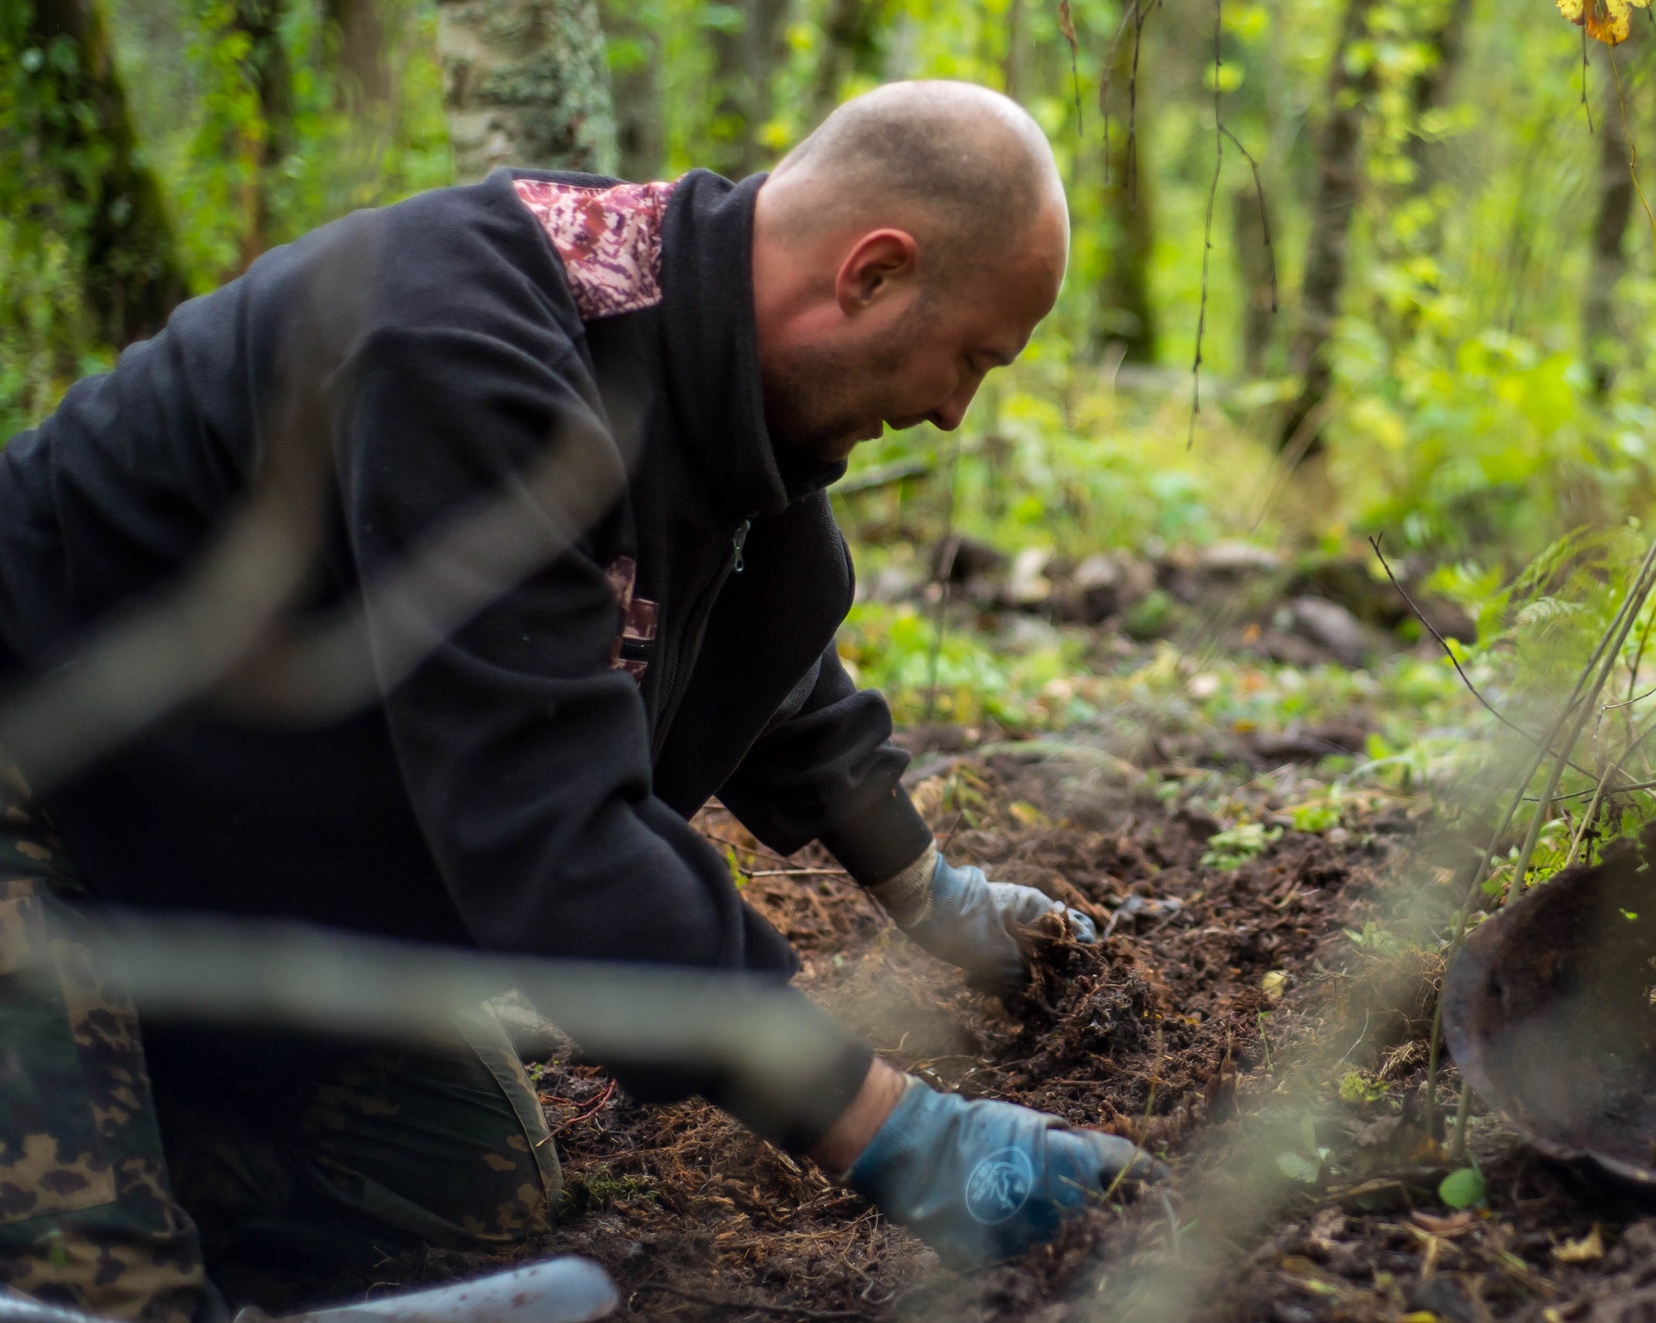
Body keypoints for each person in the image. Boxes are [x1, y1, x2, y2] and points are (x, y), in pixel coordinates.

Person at [0, 82, 1150, 1321]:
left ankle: (121, 1092)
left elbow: (753, 646)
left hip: (206, 859)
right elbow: (551, 827)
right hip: (40, 801)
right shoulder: (463, 350)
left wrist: (932, 890)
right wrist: (899, 1133)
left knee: (465, 1198)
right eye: (972, 355)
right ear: (872, 272)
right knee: (103, 1295)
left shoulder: (696, 368)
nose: (952, 408)